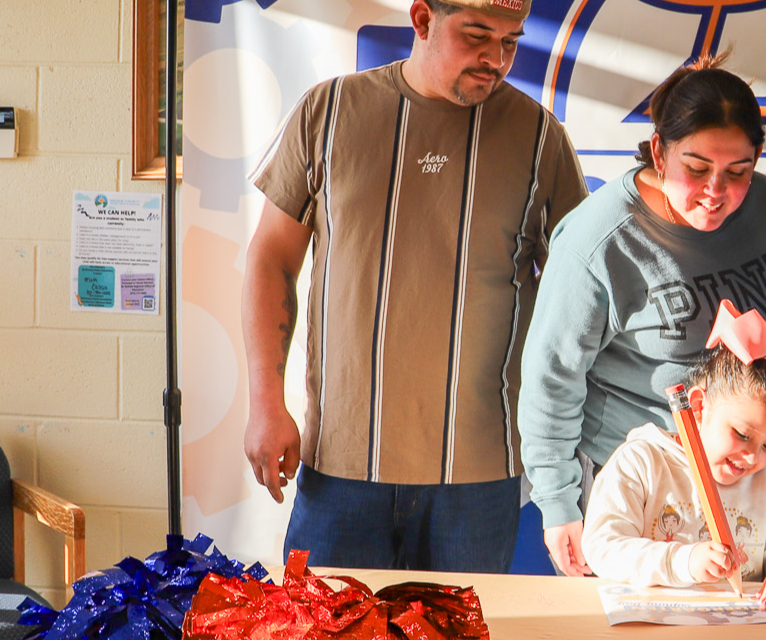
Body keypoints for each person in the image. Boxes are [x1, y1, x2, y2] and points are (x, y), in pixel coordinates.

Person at [240, 0, 587, 572]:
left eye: (510, 42)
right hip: (341, 466)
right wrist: (264, 404)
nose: (495, 59)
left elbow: (578, 293)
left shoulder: (539, 137)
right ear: (423, 20)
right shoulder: (329, 111)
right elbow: (272, 258)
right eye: (477, 36)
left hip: (480, 476)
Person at [518, 53, 766, 577]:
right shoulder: (598, 240)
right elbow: (551, 378)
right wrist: (558, 504)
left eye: (738, 172)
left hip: (747, 469)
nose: (716, 192)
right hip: (633, 481)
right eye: (696, 169)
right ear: (659, 149)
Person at [582, 302, 766, 609]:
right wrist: (684, 561)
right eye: (742, 435)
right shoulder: (640, 463)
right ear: (698, 407)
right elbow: (602, 549)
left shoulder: (761, 485)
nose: (753, 457)